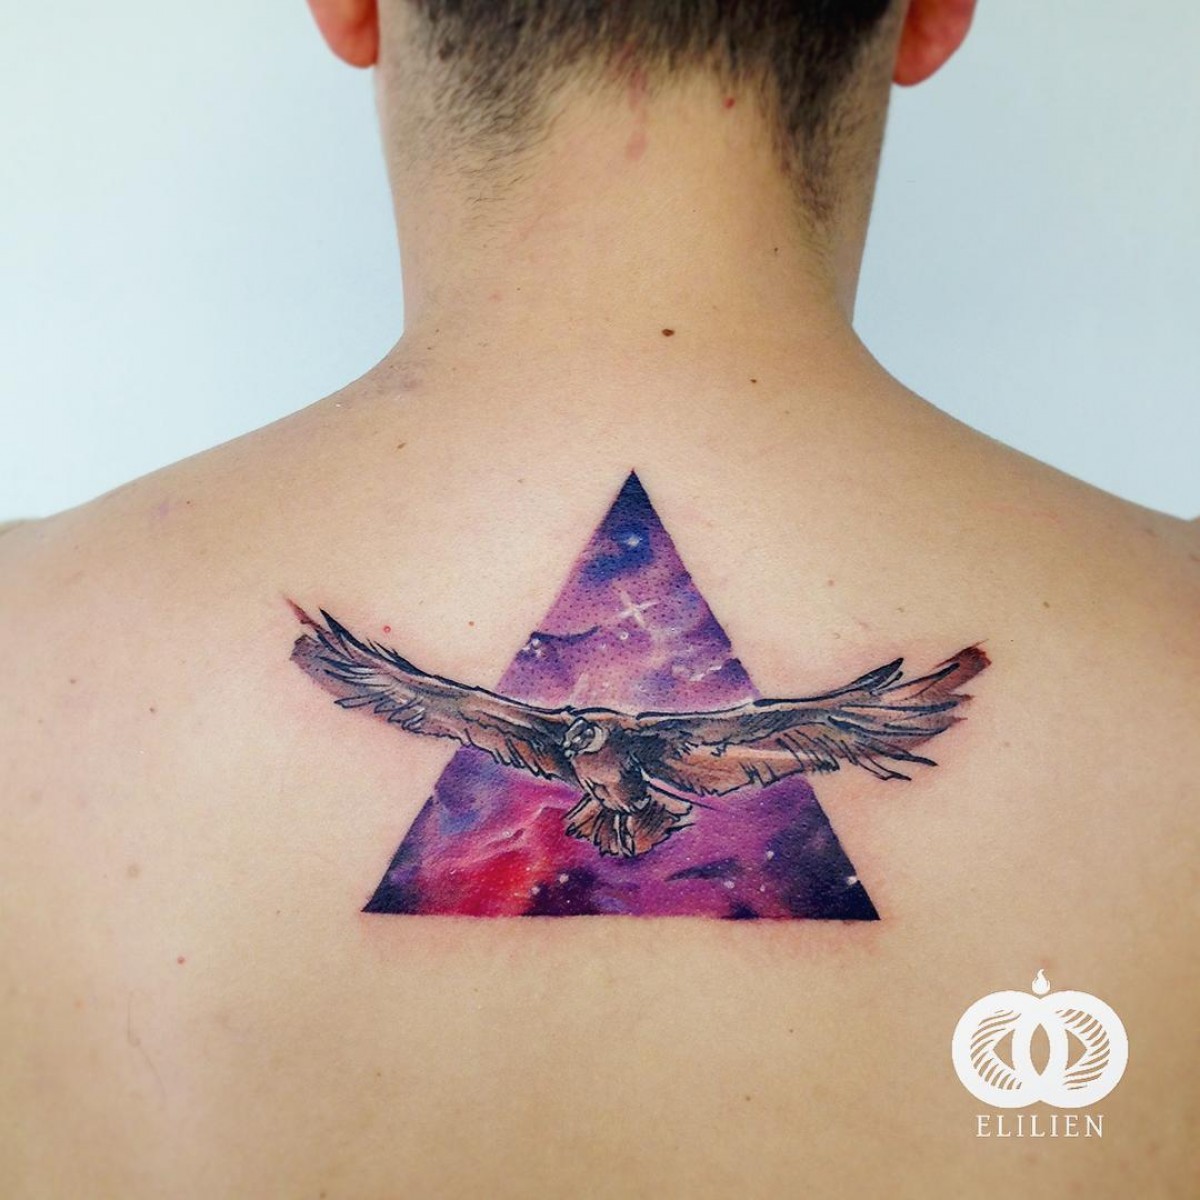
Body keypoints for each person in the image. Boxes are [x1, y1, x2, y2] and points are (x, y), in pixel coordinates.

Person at [2, 1, 1196, 1194]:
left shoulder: (32, 658)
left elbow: (809, 728)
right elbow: (416, 698)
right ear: (933, 19)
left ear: (349, 11)